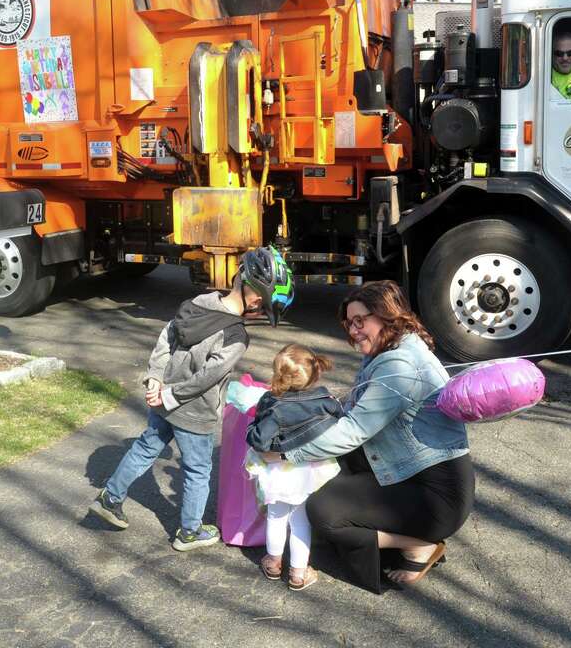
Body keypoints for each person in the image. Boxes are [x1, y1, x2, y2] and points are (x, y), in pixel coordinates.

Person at [89, 246, 294, 551]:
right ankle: (189, 531)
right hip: (193, 411)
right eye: (264, 307)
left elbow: (166, 338)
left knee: (145, 447)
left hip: (163, 398)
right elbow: (206, 379)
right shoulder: (237, 337)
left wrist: (156, 378)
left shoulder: (201, 302)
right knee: (198, 470)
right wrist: (170, 394)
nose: (261, 312)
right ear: (254, 299)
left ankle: (110, 498)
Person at [276, 280, 474, 593]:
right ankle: (376, 534)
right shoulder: (392, 349)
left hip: (434, 497)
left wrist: (288, 452)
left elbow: (354, 429)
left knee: (323, 511)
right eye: (348, 323)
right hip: (415, 476)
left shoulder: (399, 363)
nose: (353, 331)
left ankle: (418, 544)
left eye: (360, 321)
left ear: (387, 316)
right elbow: (354, 407)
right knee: (329, 477)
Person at [244, 344, 344, 590]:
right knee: (301, 521)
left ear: (278, 375)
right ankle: (299, 573)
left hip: (279, 471)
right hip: (309, 471)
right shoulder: (325, 401)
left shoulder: (273, 404)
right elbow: (339, 425)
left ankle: (273, 562)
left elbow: (258, 439)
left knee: (277, 517)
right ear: (315, 373)